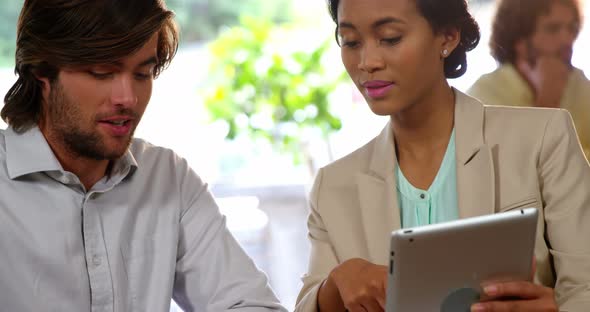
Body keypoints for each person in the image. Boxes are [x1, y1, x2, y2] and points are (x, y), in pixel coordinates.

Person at [295, 0, 590, 311]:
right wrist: (337, 283)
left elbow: (585, 286)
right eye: (351, 42)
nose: (367, 62)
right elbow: (309, 302)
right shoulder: (333, 186)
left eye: (391, 38)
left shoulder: (542, 139)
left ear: (448, 37)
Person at [0, 1, 286, 311]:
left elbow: (252, 305)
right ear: (42, 71)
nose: (128, 98)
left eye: (143, 73)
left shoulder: (167, 177)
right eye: (102, 73)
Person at [468, 0, 590, 158]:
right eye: (553, 29)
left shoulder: (578, 83)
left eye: (571, 28)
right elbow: (519, 169)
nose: (567, 39)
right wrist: (548, 98)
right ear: (520, 40)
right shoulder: (485, 95)